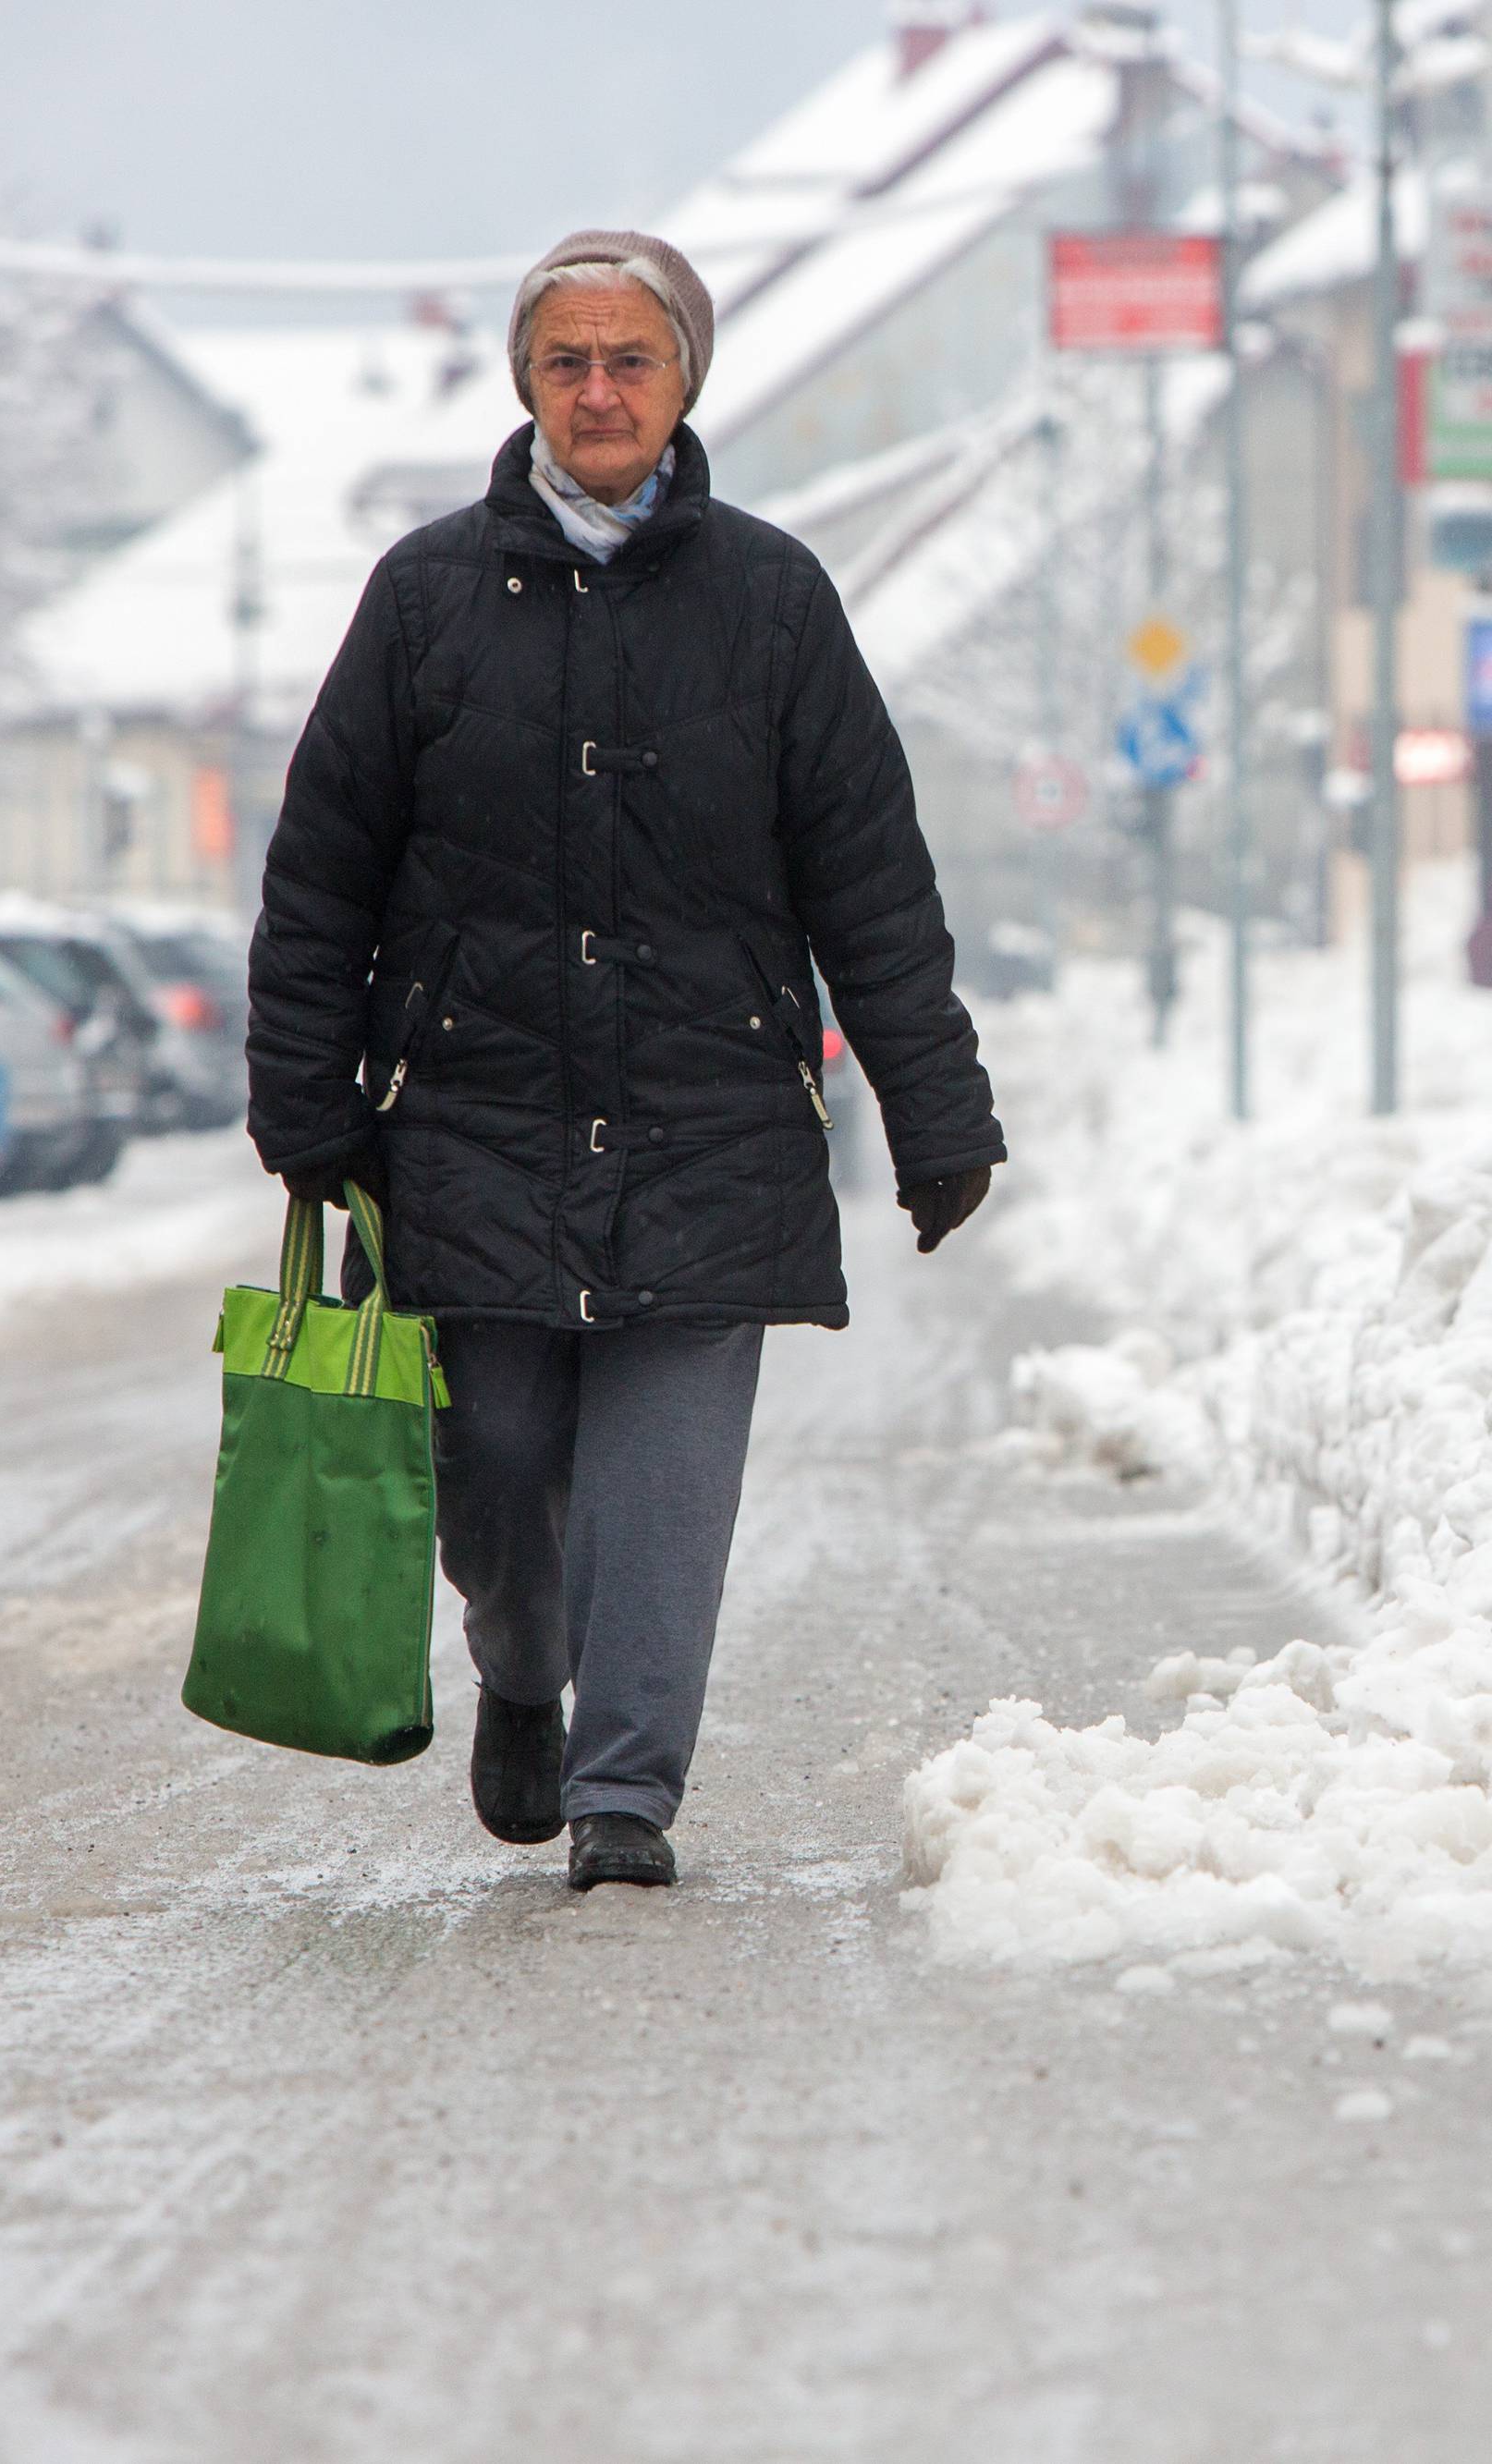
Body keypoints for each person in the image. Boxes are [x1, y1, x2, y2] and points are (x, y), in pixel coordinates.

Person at [248, 228, 1004, 1890]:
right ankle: (522, 1675)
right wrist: (307, 1101)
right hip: (474, 1122)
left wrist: (935, 1104)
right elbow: (325, 867)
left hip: (710, 1120)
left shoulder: (775, 600)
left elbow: (871, 874)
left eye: (631, 361)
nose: (600, 391)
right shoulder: (427, 596)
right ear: (526, 383)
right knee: (499, 1466)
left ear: (684, 386)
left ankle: (626, 1794)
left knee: (662, 1497)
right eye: (568, 362)